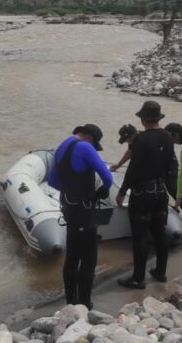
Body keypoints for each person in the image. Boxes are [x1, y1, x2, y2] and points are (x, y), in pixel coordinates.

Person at [48, 124, 112, 310]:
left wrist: (71, 194)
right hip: (85, 210)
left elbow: (53, 180)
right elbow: (107, 177)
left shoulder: (63, 146)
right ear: (90, 137)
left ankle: (70, 301)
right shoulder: (84, 146)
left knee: (72, 257)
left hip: (69, 208)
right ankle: (84, 303)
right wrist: (101, 192)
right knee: (89, 258)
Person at [116, 101, 174, 289]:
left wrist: (123, 190)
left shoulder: (141, 140)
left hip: (143, 194)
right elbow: (172, 165)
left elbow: (134, 169)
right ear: (158, 118)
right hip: (161, 191)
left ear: (142, 120)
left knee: (140, 236)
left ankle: (138, 278)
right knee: (159, 233)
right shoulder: (167, 136)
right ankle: (160, 272)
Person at [111, 124, 182, 216]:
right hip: (156, 163)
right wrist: (118, 165)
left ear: (132, 135)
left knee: (172, 188)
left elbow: (132, 168)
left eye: (127, 140)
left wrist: (122, 191)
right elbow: (130, 152)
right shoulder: (134, 140)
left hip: (169, 164)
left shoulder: (141, 139)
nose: (127, 142)